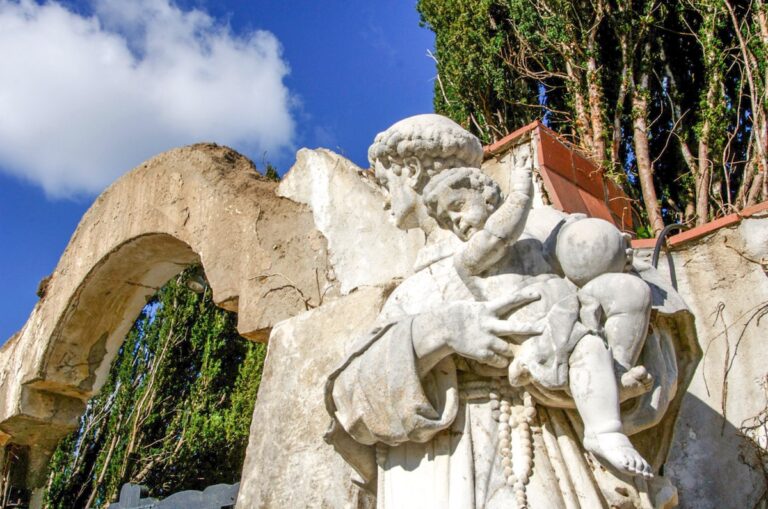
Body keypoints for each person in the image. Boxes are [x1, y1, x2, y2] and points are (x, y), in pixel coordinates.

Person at [325, 114, 691, 509]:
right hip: (437, 473)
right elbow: (350, 401)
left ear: (411, 170)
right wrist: (440, 332)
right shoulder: (413, 290)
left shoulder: (541, 237)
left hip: (540, 444)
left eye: (385, 183)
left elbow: (644, 303)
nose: (384, 199)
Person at [422, 165, 654, 477]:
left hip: (573, 310)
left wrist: (597, 243)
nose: (457, 222)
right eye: (448, 220)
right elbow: (499, 235)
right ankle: (604, 432)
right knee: (586, 346)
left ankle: (617, 373)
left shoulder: (530, 243)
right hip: (542, 335)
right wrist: (520, 194)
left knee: (630, 292)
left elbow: (569, 255)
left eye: (458, 206)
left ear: (488, 198)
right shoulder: (469, 258)